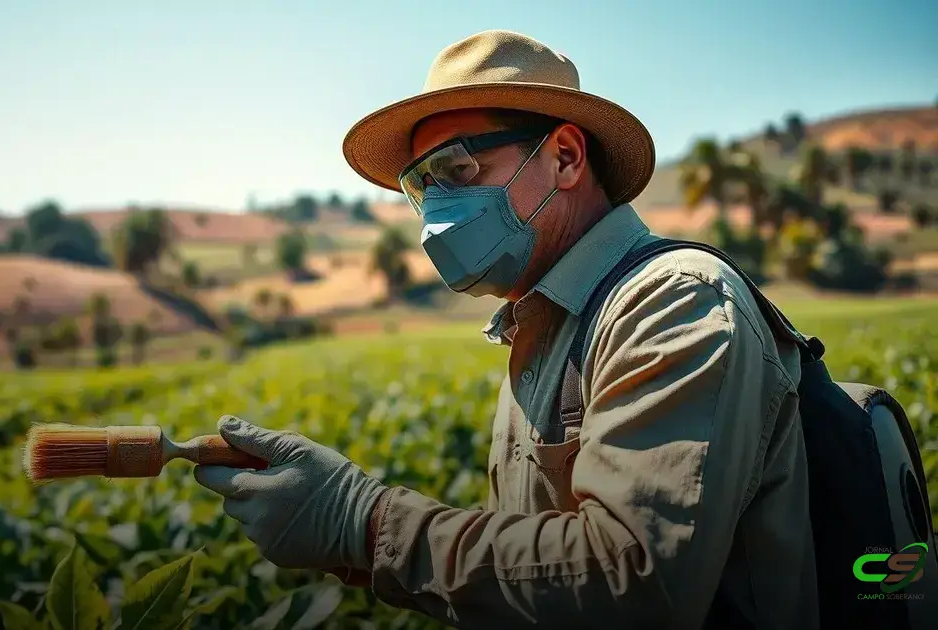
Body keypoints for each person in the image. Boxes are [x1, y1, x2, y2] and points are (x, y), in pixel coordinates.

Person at [195, 30, 818, 629]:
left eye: (459, 169)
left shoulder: (670, 302)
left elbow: (637, 583)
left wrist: (364, 521)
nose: (437, 206)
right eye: (423, 185)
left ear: (566, 158)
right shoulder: (543, 330)